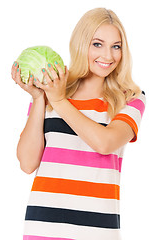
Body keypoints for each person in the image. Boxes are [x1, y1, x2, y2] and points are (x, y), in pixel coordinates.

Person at [11, 7, 146, 240]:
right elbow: (27, 163)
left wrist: (60, 101)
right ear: (81, 43)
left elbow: (105, 143)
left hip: (97, 232)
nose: (108, 55)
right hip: (43, 228)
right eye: (97, 44)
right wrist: (38, 98)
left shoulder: (130, 98)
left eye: (116, 46)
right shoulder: (51, 89)